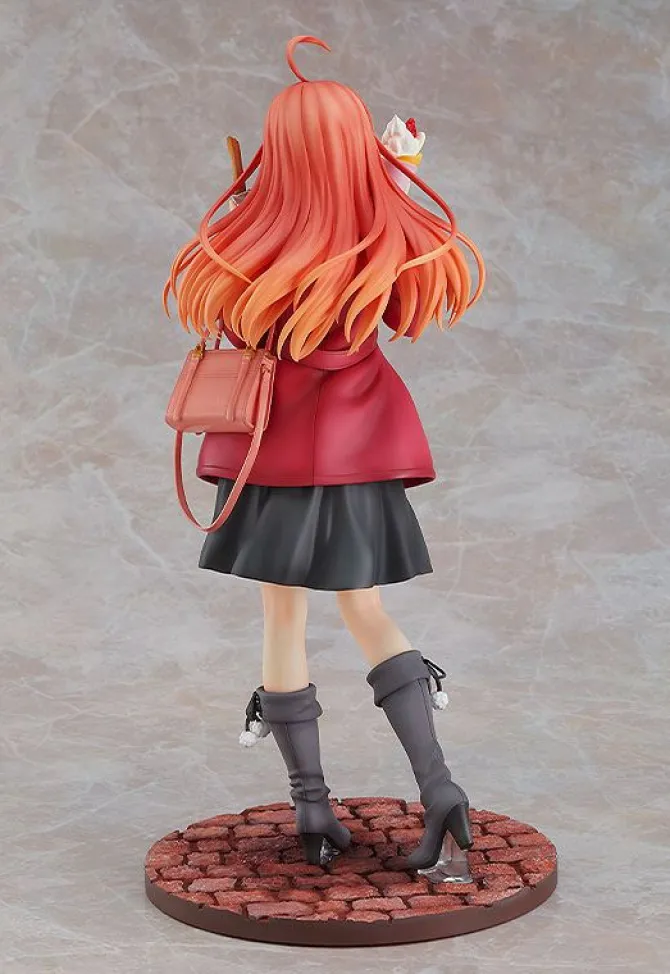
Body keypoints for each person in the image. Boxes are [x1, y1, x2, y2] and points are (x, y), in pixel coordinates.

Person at [164, 35, 484, 869]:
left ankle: (312, 807)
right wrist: (398, 179)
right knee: (367, 611)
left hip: (271, 456)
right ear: (352, 149)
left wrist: (252, 213)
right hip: (356, 456)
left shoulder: (248, 243)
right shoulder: (381, 237)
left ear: (280, 149)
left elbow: (230, 320)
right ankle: (441, 788)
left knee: (283, 616)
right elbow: (407, 301)